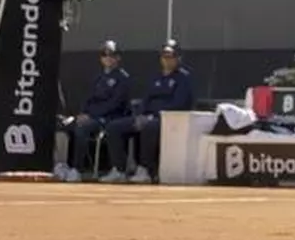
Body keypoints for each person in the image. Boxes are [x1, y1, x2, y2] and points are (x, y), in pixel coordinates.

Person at [101, 41, 194, 183]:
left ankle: (146, 170)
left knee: (149, 127)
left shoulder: (184, 78)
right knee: (113, 127)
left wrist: (152, 116)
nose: (166, 60)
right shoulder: (155, 77)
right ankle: (119, 169)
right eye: (164, 56)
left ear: (178, 58)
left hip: (168, 119)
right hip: (147, 116)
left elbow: (178, 103)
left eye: (170, 56)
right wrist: (140, 115)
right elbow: (146, 99)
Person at [55, 40, 131, 182]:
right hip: (90, 116)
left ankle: (77, 170)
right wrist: (82, 114)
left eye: (111, 54)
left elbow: (114, 104)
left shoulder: (123, 78)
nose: (108, 58)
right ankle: (61, 165)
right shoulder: (98, 78)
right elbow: (88, 99)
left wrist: (90, 115)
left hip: (109, 118)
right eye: (104, 54)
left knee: (82, 128)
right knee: (63, 125)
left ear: (118, 57)